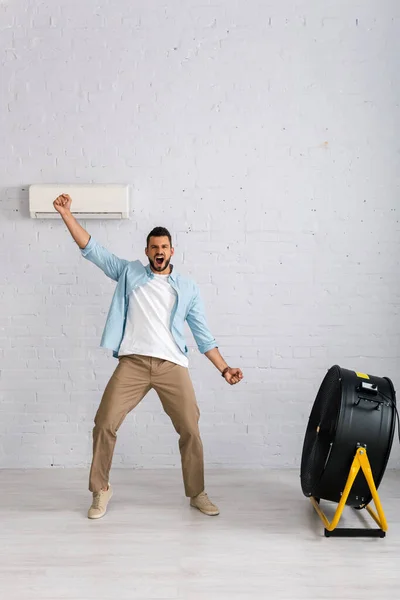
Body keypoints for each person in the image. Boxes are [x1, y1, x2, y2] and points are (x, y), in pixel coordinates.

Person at [53, 193, 243, 520]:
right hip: (134, 364)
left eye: (164, 247)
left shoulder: (187, 288)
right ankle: (101, 490)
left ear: (172, 251)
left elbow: (202, 336)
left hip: (172, 366)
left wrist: (224, 368)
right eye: (154, 247)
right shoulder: (129, 272)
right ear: (147, 252)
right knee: (104, 423)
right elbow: (93, 250)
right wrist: (65, 214)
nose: (159, 252)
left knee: (190, 429)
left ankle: (196, 492)